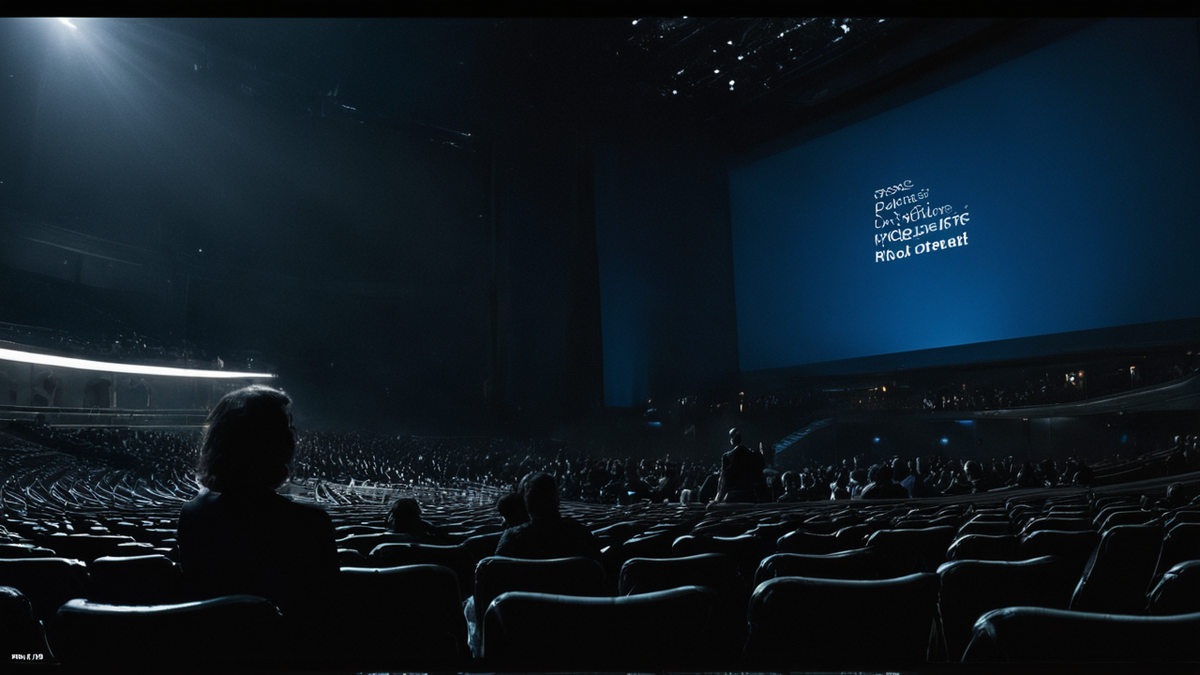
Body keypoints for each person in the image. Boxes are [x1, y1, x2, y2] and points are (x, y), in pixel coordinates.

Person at [175, 386, 337, 654]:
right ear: (278, 445)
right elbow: (324, 621)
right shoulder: (311, 524)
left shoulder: (191, 515)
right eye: (287, 427)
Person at [494, 472, 601, 561]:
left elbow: (495, 571)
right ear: (557, 501)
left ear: (527, 504)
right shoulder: (582, 535)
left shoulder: (512, 539)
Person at [714, 428, 769, 503]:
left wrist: (718, 498)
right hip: (751, 495)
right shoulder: (755, 456)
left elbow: (723, 479)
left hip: (731, 496)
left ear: (732, 439)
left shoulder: (727, 457)